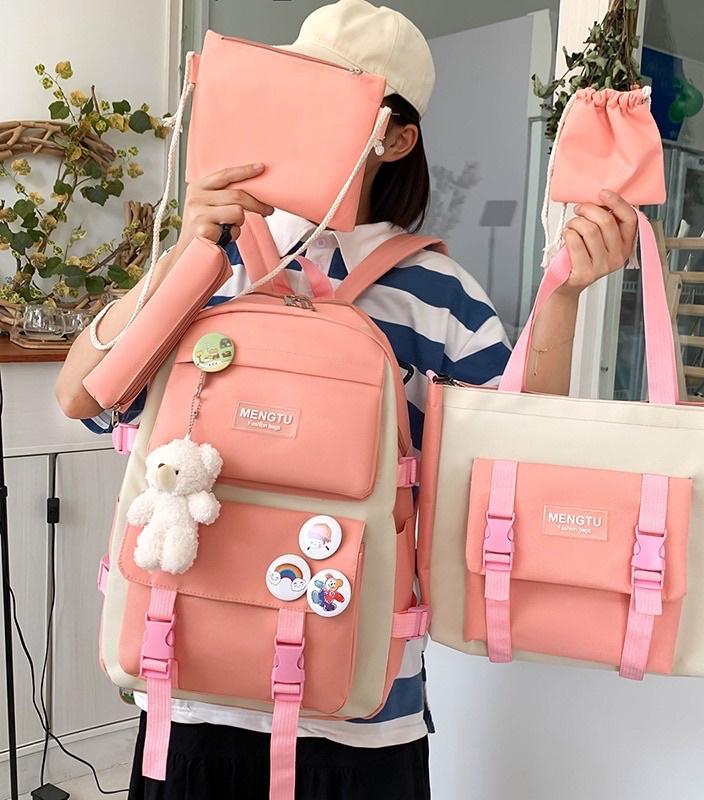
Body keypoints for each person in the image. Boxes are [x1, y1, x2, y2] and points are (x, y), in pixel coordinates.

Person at [55, 1, 639, 797]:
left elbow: (511, 472)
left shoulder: (439, 294)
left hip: (361, 715)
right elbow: (85, 399)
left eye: (330, 94)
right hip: (188, 688)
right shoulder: (212, 259)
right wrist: (183, 255)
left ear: (394, 139)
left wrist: (563, 296)